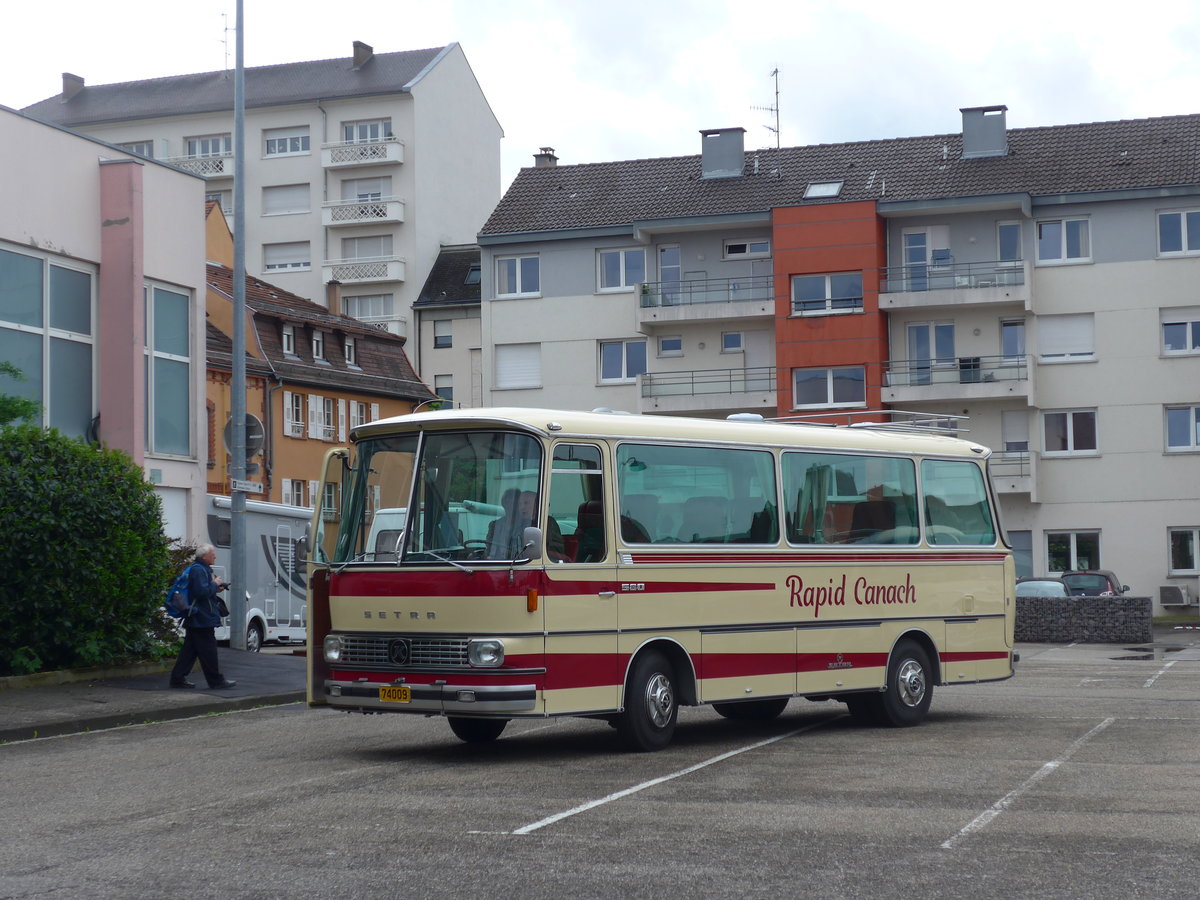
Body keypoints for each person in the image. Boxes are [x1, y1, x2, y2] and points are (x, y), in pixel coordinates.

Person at [168, 544, 237, 690]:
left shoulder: (198, 569)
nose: (215, 557)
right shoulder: (199, 570)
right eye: (213, 554)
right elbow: (201, 592)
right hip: (202, 618)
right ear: (205, 556)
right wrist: (215, 583)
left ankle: (177, 678)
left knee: (189, 651)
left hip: (196, 617)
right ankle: (216, 681)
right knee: (209, 651)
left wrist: (215, 588)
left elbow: (200, 592)